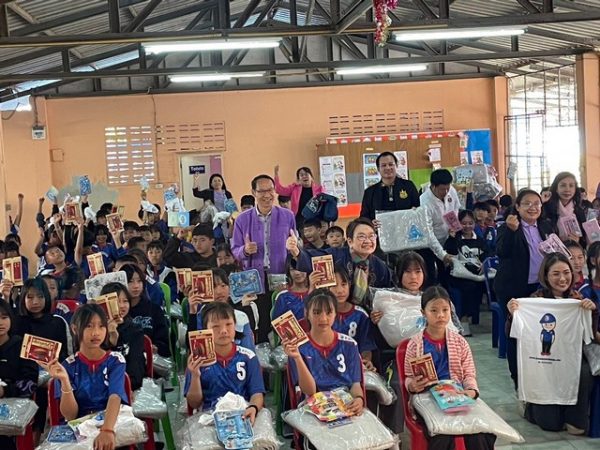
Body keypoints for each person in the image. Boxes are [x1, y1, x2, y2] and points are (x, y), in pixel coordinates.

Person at [507, 253, 597, 434]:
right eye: (556, 274)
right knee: (551, 425)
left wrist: (592, 312)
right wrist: (512, 314)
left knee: (583, 372)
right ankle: (528, 407)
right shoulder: (534, 301)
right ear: (546, 276)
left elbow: (590, 335)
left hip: (571, 357)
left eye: (566, 272)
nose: (562, 278)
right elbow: (516, 334)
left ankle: (575, 419)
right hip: (544, 361)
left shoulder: (578, 299)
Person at [403, 286, 496, 450]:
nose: (440, 315)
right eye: (434, 310)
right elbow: (409, 376)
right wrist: (412, 385)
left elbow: (469, 374)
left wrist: (471, 391)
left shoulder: (460, 342)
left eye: (445, 310)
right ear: (423, 312)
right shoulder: (415, 344)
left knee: (482, 432)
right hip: (428, 398)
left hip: (458, 396)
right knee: (443, 434)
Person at [42, 304, 128, 450]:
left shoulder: (115, 360)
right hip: (79, 429)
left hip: (110, 422)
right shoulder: (66, 366)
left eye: (101, 326)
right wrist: (64, 380)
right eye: (89, 326)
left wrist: (107, 430)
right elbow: (71, 415)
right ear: (75, 329)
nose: (96, 333)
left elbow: (115, 396)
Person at [494, 189, 553, 389]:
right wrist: (511, 231)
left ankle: (536, 374)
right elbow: (502, 251)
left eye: (536, 203)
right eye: (527, 203)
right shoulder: (508, 227)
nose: (532, 207)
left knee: (538, 332)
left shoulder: (545, 226)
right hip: (513, 289)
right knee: (516, 333)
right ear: (517, 207)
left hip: (539, 288)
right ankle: (517, 378)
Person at [231, 174, 296, 343]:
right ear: (253, 192)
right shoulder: (242, 219)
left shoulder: (288, 216)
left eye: (271, 190)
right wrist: (245, 250)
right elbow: (235, 250)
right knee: (258, 323)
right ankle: (260, 355)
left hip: (280, 276)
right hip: (253, 280)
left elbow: (295, 244)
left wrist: (294, 246)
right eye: (262, 191)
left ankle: (282, 355)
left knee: (281, 320)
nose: (267, 195)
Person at [284, 289, 365, 415]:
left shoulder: (349, 344)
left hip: (345, 405)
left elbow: (356, 385)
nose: (323, 318)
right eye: (316, 312)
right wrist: (298, 358)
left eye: (329, 312)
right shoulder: (297, 347)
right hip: (311, 406)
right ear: (307, 313)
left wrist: (359, 399)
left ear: (335, 313)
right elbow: (310, 391)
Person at [184, 302, 265, 422]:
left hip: (243, 414)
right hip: (209, 416)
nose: (223, 331)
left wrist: (253, 407)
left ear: (235, 325)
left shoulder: (248, 357)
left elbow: (257, 393)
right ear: (205, 329)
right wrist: (195, 376)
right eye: (215, 326)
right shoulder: (198, 360)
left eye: (228, 324)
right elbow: (194, 403)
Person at [287, 218, 393, 305]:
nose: (368, 241)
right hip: (335, 311)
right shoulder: (336, 255)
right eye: (361, 236)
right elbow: (312, 258)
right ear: (350, 241)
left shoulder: (379, 265)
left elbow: (389, 292)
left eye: (371, 236)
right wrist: (295, 250)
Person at [186, 268, 257, 348]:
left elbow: (249, 344)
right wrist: (192, 312)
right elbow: (193, 346)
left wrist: (246, 306)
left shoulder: (240, 314)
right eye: (213, 287)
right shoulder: (201, 314)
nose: (219, 291)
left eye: (223, 285)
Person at [0, 301, 38, 450]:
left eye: (4, 317)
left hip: (12, 414)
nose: (1, 322)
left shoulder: (23, 345)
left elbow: (31, 383)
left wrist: (5, 390)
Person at [444, 210, 488, 335]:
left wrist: (484, 263)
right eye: (464, 223)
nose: (467, 226)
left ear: (475, 223)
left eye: (470, 223)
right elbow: (450, 252)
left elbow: (487, 254)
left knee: (479, 287)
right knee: (468, 287)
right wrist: (452, 237)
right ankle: (463, 319)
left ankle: (468, 317)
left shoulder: (479, 240)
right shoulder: (456, 238)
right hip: (459, 275)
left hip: (476, 274)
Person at [327, 264, 377, 371]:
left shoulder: (360, 315)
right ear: (326, 287)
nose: (340, 290)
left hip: (354, 367)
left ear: (350, 285)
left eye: (343, 284)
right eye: (334, 285)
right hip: (327, 366)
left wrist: (366, 361)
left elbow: (366, 347)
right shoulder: (322, 315)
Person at [100, 282, 146, 391]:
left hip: (126, 388)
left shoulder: (135, 330)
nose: (121, 306)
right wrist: (111, 341)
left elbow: (136, 375)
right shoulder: (96, 331)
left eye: (125, 301)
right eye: (116, 301)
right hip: (98, 390)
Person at [120, 264, 171, 357]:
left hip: (152, 359)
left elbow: (165, 343)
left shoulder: (154, 309)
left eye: (139, 281)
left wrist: (156, 347)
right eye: (130, 281)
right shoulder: (118, 312)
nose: (136, 286)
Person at [418, 169, 457, 284]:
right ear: (433, 186)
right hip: (429, 245)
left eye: (448, 188)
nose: (446, 192)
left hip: (448, 238)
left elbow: (455, 209)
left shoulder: (451, 191)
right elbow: (428, 233)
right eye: (442, 189)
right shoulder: (424, 202)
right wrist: (443, 255)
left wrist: (453, 227)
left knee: (450, 276)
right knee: (433, 277)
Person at [359, 152, 419, 221]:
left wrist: (415, 212)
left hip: (406, 227)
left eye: (391, 164)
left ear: (396, 165)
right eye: (383, 165)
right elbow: (363, 218)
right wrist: (371, 223)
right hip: (379, 228)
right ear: (378, 169)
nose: (388, 168)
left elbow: (418, 208)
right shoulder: (369, 192)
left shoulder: (408, 186)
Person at [542, 172, 586, 243]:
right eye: (563, 185)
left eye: (571, 186)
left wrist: (577, 242)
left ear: (575, 189)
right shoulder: (546, 208)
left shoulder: (580, 210)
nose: (567, 189)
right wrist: (541, 202)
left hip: (574, 248)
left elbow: (584, 238)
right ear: (556, 189)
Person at [193, 174, 234, 243]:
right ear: (211, 184)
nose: (217, 182)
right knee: (210, 206)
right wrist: (195, 180)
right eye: (215, 181)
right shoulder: (208, 192)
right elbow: (196, 193)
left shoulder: (227, 193)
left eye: (219, 180)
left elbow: (232, 207)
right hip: (210, 218)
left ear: (222, 182)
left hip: (224, 218)